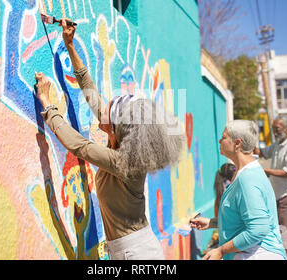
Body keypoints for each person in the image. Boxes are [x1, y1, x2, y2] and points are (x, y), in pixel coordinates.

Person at [34, 19, 185, 260]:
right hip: (132, 249)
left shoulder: (122, 162)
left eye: (109, 109)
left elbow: (78, 145)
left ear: (116, 129)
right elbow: (90, 92)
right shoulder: (123, 147)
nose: (103, 109)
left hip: (135, 254)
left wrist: (46, 102)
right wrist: (70, 46)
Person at [190, 120, 287, 260]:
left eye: (224, 137)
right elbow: (243, 217)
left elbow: (258, 229)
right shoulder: (244, 172)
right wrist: (213, 223)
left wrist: (221, 251)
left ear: (237, 143)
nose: (219, 141)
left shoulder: (247, 179)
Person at [254, 115, 287, 260]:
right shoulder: (279, 143)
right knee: (282, 238)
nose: (274, 131)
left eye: (277, 128)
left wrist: (265, 171)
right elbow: (262, 153)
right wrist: (248, 145)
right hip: (280, 196)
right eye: (273, 128)